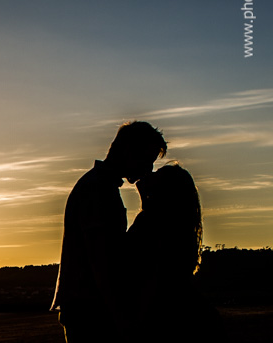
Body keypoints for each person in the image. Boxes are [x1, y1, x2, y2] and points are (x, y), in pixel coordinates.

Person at [51, 121, 167, 342]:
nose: (149, 169)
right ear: (129, 151)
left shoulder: (98, 186)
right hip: (92, 310)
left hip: (89, 308)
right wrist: (122, 319)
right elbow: (103, 262)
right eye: (147, 159)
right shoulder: (98, 190)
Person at [127, 163, 222, 342]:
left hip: (157, 310)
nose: (150, 175)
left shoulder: (151, 222)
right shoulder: (182, 227)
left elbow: (129, 257)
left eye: (157, 175)